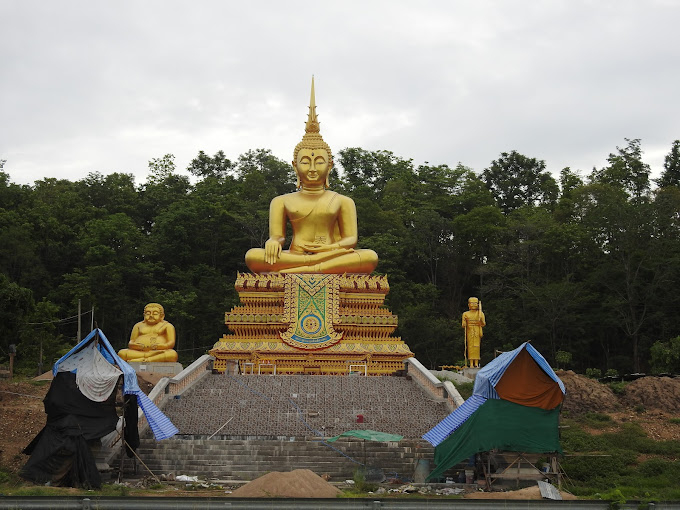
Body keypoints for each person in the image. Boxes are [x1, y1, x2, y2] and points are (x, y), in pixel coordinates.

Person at [245, 78, 378, 274]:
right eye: (306, 161)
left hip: (332, 253)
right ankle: (314, 267)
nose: (313, 168)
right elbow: (278, 237)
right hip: (297, 254)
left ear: (330, 165)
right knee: (252, 256)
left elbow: (350, 240)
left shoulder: (343, 201)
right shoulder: (281, 201)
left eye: (319, 161)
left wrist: (329, 249)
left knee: (369, 256)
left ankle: (311, 267)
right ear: (295, 166)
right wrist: (273, 242)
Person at [462, 297, 485, 368]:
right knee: (470, 346)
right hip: (470, 330)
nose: (473, 305)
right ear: (468, 305)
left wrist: (480, 320)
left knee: (477, 346)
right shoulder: (465, 314)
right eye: (472, 303)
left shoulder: (480, 313)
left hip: (477, 330)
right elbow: (463, 325)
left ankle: (476, 363)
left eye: (475, 303)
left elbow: (483, 323)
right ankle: (471, 363)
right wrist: (465, 321)